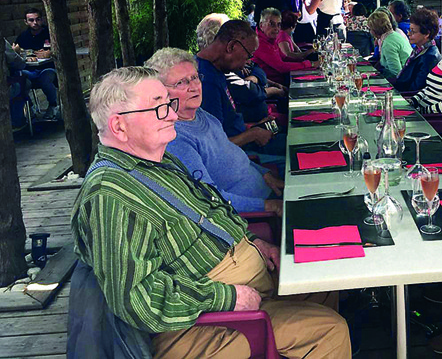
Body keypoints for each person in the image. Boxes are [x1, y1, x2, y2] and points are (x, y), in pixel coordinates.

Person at [72, 66, 350, 359]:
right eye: (159, 108)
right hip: (199, 325)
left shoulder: (157, 160)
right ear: (119, 126)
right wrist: (227, 298)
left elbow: (210, 206)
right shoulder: (111, 196)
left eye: (168, 103)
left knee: (326, 277)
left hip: (242, 276)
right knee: (330, 331)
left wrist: (252, 241)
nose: (171, 114)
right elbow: (138, 300)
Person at [146, 48, 284, 216]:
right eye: (181, 82)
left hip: (268, 188)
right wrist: (267, 206)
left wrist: (264, 174)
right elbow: (209, 199)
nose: (194, 87)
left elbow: (232, 155)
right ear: (160, 93)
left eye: (195, 77)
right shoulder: (175, 138)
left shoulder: (202, 115)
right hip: (255, 217)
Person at [195, 19, 280, 152]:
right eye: (248, 56)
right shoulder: (205, 83)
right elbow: (214, 145)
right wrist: (253, 134)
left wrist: (253, 127)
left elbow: (229, 125)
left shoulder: (217, 68)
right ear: (231, 47)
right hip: (239, 155)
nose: (245, 64)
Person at [14, 7, 59, 120]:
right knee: (18, 80)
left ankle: (53, 105)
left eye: (37, 19)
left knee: (46, 79)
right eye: (31, 20)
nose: (35, 23)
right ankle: (30, 107)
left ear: (42, 20)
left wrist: (51, 53)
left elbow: (59, 50)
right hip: (29, 70)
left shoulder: (50, 33)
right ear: (26, 22)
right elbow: (16, 53)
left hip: (48, 68)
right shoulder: (23, 37)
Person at [253, 8, 317, 85]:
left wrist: (310, 62)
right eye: (272, 24)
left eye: (279, 24)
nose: (276, 28)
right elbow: (281, 67)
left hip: (283, 80)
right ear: (261, 25)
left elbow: (285, 58)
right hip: (272, 87)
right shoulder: (259, 43)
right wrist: (311, 64)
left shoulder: (271, 39)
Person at [393, 7, 441, 92]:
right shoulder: (419, 50)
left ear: (426, 34)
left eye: (413, 31)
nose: (408, 33)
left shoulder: (430, 57)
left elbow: (417, 89)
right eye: (409, 30)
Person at [367, 9, 412, 80]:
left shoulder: (388, 43)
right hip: (407, 75)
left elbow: (396, 73)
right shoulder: (394, 35)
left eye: (370, 29)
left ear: (374, 30)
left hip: (402, 82)